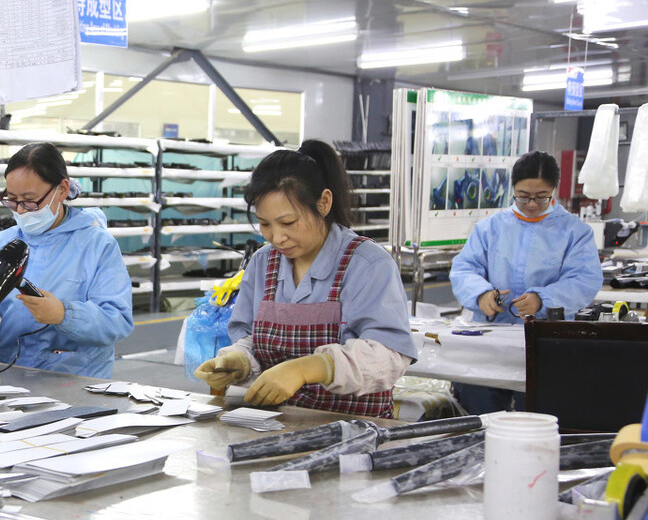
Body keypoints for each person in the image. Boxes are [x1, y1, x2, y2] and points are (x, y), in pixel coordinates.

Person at [194, 139, 417, 417]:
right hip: (274, 424)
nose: (276, 237)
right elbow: (252, 337)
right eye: (265, 224)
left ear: (323, 203)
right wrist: (239, 360)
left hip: (354, 429)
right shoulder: (264, 262)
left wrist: (312, 367)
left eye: (288, 223)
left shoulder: (367, 264)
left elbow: (390, 356)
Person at [0, 142, 133, 378]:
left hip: (78, 381)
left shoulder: (97, 245)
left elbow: (117, 319)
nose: (21, 211)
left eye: (29, 200)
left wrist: (64, 314)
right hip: (14, 375)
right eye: (12, 200)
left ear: (62, 189)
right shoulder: (3, 246)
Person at [449, 151, 603, 414]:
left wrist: (544, 300)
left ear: (554, 189)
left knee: (534, 416)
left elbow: (584, 279)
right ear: (512, 189)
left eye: (541, 196)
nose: (531, 203)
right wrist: (482, 294)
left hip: (544, 342)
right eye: (523, 196)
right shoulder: (491, 227)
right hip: (491, 341)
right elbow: (464, 268)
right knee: (480, 416)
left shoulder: (574, 232)